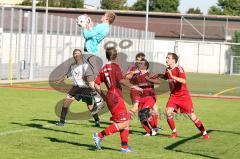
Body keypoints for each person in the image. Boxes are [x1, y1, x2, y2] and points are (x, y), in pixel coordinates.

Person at [147, 52, 209, 139]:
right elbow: (166, 76)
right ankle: (174, 132)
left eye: (168, 58)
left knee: (192, 116)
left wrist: (172, 76)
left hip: (183, 96)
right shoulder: (167, 70)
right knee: (168, 112)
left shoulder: (179, 69)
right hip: (173, 96)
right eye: (166, 58)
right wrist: (158, 75)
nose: (166, 59)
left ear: (173, 60)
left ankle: (204, 133)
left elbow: (183, 81)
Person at [93, 47, 142, 152]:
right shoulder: (115, 67)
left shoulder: (103, 68)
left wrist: (104, 96)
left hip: (111, 96)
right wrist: (134, 87)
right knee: (124, 123)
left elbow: (96, 85)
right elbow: (121, 81)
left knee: (126, 121)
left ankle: (124, 147)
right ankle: (99, 135)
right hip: (116, 96)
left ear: (107, 56)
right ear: (116, 56)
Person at [55, 49, 102, 127]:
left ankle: (97, 120)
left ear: (81, 55)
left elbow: (91, 77)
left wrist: (93, 87)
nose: (76, 55)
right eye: (75, 53)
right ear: (73, 55)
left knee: (90, 107)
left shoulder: (86, 65)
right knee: (65, 103)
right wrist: (59, 80)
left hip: (85, 88)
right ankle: (62, 122)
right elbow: (67, 75)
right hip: (75, 88)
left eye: (78, 53)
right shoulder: (72, 66)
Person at [128, 59, 160, 136]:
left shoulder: (149, 74)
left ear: (145, 66)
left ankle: (155, 128)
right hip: (141, 98)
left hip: (150, 97)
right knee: (141, 117)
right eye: (139, 63)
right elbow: (127, 79)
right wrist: (132, 73)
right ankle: (149, 132)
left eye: (141, 64)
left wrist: (151, 79)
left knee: (144, 112)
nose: (139, 64)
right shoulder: (136, 75)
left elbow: (158, 81)